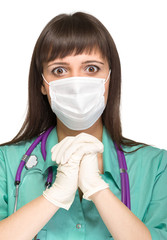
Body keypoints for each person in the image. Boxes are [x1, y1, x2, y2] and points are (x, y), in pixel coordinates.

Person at [0, 12, 166, 240]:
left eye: (91, 69)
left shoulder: (156, 166)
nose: (76, 83)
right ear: (42, 83)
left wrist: (98, 190)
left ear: (110, 77)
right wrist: (54, 197)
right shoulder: (5, 162)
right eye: (60, 70)